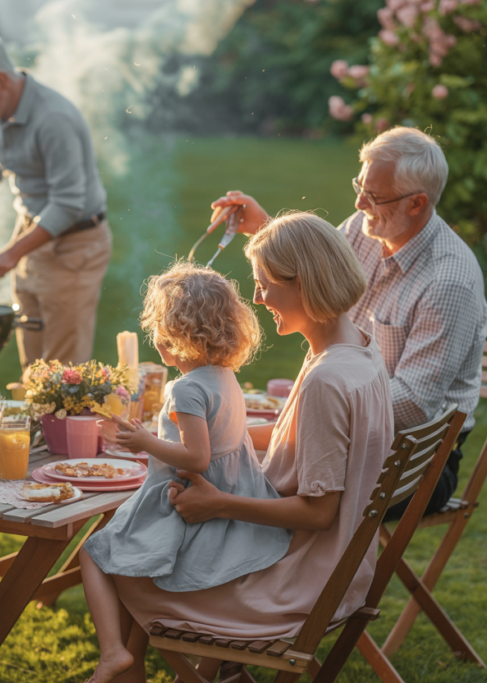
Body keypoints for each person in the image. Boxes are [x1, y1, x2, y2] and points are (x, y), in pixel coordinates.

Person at [92, 212, 393, 683]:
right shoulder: (359, 351)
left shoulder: (327, 380)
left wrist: (217, 504)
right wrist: (216, 432)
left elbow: (318, 513)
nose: (256, 298)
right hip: (338, 568)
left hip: (298, 580)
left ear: (305, 283)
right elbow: (305, 442)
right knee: (145, 543)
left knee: (124, 562)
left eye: (265, 284)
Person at [211, 126, 487, 518]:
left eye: (373, 196)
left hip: (413, 462)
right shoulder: (365, 229)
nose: (358, 204)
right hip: (342, 428)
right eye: (360, 185)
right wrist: (267, 229)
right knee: (230, 462)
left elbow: (411, 405)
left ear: (416, 203)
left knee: (243, 481)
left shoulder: (449, 281)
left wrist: (319, 409)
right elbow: (312, 272)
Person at [80, 261, 292, 683]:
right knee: (119, 554)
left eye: (159, 328)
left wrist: (144, 442)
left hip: (191, 516)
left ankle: (113, 655)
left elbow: (195, 458)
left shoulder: (186, 388)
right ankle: (163, 668)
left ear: (176, 335)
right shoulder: (224, 377)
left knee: (93, 552)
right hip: (230, 512)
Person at [0, 31, 112, 369]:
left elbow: (67, 204)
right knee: (32, 356)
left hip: (75, 242)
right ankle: (34, 421)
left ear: (2, 80)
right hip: (33, 230)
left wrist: (12, 252)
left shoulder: (54, 120)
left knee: (63, 367)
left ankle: (65, 422)